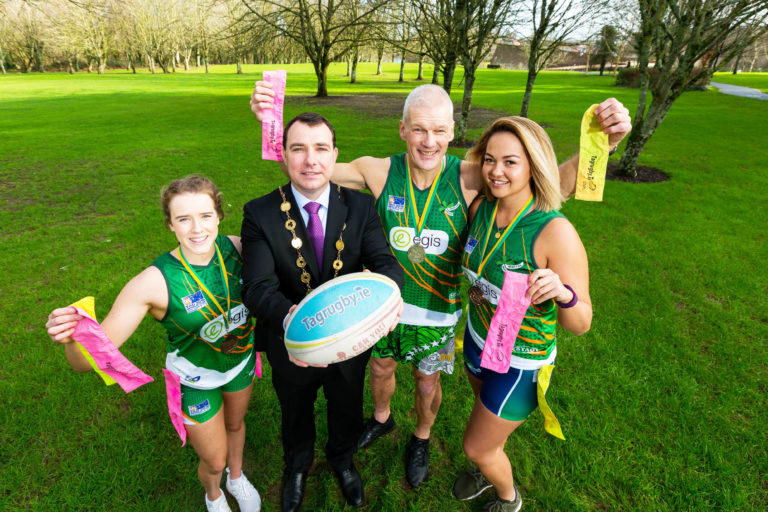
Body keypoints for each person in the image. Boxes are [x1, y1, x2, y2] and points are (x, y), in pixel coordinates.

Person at [250, 82, 630, 487]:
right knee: (380, 369)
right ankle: (381, 418)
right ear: (403, 129)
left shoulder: (470, 175)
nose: (428, 141)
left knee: (427, 381)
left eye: (437, 131)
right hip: (383, 308)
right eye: (418, 129)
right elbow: (311, 171)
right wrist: (270, 122)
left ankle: (422, 436)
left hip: (438, 313)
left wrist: (600, 146)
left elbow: (545, 181)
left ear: (451, 132)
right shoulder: (377, 170)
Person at [45, 176, 262, 512]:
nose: (197, 229)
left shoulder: (238, 249)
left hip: (241, 362)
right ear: (170, 224)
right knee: (213, 460)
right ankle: (214, 494)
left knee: (235, 425)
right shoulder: (153, 282)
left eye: (205, 216)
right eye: (183, 219)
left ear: (219, 216)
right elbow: (84, 361)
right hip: (195, 380)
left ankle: (236, 477)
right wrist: (73, 335)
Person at [240, 112, 404, 511]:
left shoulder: (361, 206)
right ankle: (297, 466)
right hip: (291, 342)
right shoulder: (260, 212)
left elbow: (386, 264)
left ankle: (342, 460)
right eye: (298, 149)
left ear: (334, 155)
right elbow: (257, 287)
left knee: (346, 405)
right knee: (294, 409)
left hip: (349, 340)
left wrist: (386, 298)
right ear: (284, 155)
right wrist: (297, 324)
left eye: (320, 148)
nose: (310, 160)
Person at [453, 116, 592, 511]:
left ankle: (508, 497)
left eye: (510, 162)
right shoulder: (482, 207)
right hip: (478, 341)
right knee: (487, 428)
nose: (496, 171)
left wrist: (563, 295)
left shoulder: (554, 231)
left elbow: (581, 322)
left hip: (519, 363)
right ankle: (490, 460)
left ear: (533, 165)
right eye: (490, 159)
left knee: (476, 447)